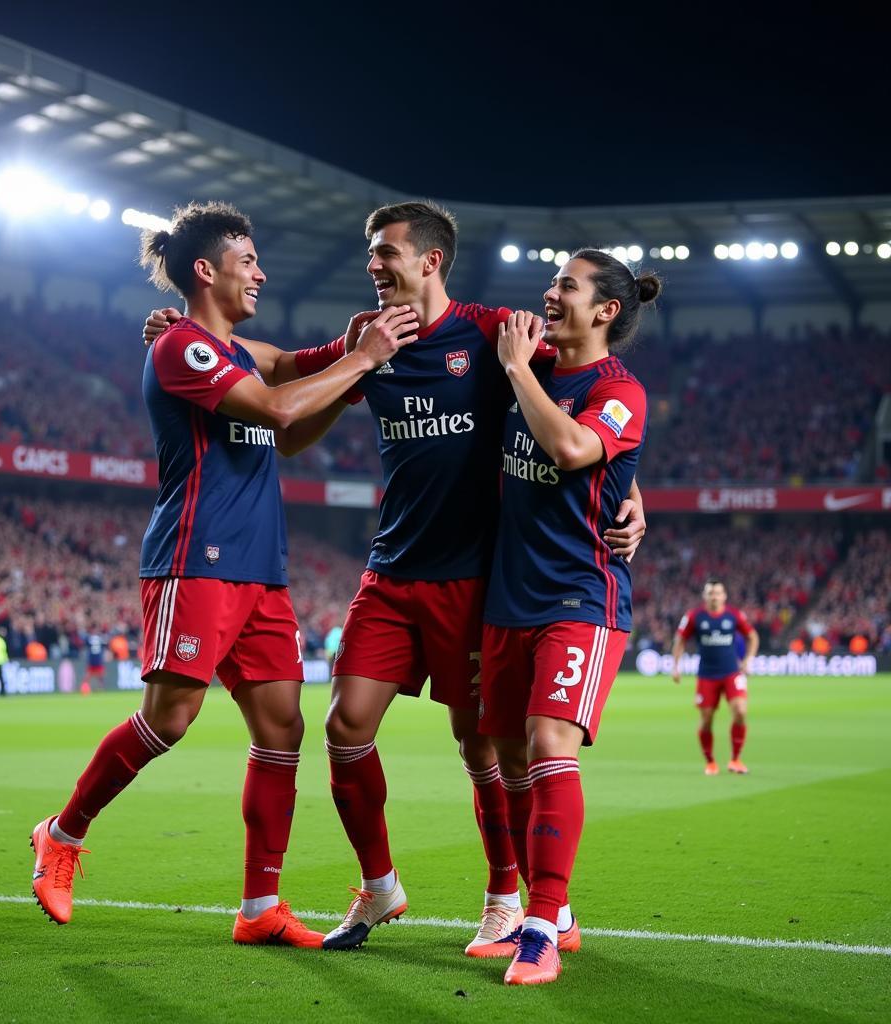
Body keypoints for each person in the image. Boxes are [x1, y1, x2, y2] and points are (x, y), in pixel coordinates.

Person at [143, 201, 646, 955]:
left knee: (482, 749)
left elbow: (586, 406)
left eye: (385, 253)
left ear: (429, 261)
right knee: (345, 730)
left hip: (477, 579)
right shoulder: (368, 339)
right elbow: (286, 394)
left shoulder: (493, 334)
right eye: (370, 253)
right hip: (392, 567)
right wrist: (187, 333)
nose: (372, 266)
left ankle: (505, 900)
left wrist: (633, 498)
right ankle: (380, 887)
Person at [29, 200, 416, 950]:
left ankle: (259, 906)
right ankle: (62, 833)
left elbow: (297, 422)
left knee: (281, 730)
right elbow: (276, 409)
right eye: (248, 261)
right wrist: (360, 361)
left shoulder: (245, 351)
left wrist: (360, 361)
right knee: (169, 719)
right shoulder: (182, 347)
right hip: (195, 560)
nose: (262, 272)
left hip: (260, 574)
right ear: (206, 270)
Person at [480, 250, 658, 984]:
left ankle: (542, 925)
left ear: (606, 310)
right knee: (507, 760)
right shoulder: (526, 349)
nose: (550, 294)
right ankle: (559, 914)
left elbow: (574, 446)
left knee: (550, 741)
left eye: (568, 286)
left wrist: (519, 371)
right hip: (506, 596)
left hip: (581, 596)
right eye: (551, 282)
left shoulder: (620, 390)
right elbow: (438, 318)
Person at [671, 579, 760, 775]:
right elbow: (680, 639)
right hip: (707, 675)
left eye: (718, 593)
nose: (714, 597)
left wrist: (748, 660)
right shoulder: (694, 616)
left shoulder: (734, 615)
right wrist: (675, 666)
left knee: (740, 711)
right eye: (711, 593)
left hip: (731, 672)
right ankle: (710, 762)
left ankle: (735, 759)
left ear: (724, 596)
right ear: (705, 596)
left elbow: (753, 636)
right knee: (706, 719)